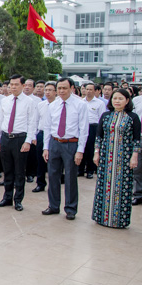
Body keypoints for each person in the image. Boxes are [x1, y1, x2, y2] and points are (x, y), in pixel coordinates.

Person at [92, 89, 140, 228]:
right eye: (114, 98)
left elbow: (137, 139)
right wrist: (97, 152)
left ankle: (119, 220)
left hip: (124, 158)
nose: (117, 101)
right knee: (104, 186)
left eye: (120, 98)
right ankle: (101, 217)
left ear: (127, 100)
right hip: (106, 157)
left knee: (122, 188)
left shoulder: (133, 117)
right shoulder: (106, 116)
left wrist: (134, 156)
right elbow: (99, 136)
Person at [42, 78, 89, 220]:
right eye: (59, 88)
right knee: (53, 176)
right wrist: (46, 148)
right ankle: (53, 206)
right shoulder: (52, 105)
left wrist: (80, 150)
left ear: (72, 88)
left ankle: (70, 208)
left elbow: (84, 129)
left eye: (65, 88)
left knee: (70, 177)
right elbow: (47, 128)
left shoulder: (80, 105)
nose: (61, 91)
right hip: (55, 143)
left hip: (71, 144)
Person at [0, 75, 36, 211]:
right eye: (11, 84)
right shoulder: (5, 101)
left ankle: (18, 200)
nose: (13, 87)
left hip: (20, 139)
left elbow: (32, 123)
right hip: (6, 138)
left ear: (23, 86)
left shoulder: (29, 102)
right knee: (8, 170)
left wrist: (28, 141)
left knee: (19, 171)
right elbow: (0, 121)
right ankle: (7, 197)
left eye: (16, 84)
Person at [33, 82, 57, 193]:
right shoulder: (41, 105)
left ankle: (54, 184)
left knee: (53, 161)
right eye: (46, 90)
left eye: (50, 90)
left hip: (54, 135)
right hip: (42, 134)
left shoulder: (59, 105)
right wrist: (34, 135)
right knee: (40, 160)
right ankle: (40, 183)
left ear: (55, 92)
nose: (47, 92)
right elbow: (36, 121)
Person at [80, 83, 106, 179]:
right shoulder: (81, 102)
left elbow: (101, 118)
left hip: (93, 127)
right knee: (82, 147)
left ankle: (90, 170)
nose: (89, 91)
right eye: (87, 89)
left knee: (91, 149)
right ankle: (80, 169)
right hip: (82, 127)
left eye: (91, 89)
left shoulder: (100, 103)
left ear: (95, 91)